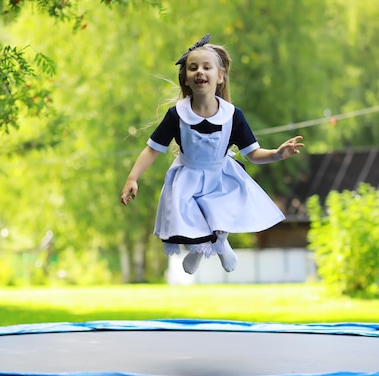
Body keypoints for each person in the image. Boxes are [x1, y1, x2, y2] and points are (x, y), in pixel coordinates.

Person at [120, 33, 304, 274]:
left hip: (220, 176)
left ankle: (220, 242)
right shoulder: (177, 115)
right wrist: (132, 178)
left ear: (220, 77)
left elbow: (253, 153)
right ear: (185, 78)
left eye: (207, 67)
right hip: (188, 177)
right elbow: (152, 149)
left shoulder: (232, 115)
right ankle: (197, 250)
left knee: (220, 209)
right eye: (193, 67)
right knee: (189, 219)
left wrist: (278, 154)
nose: (199, 72)